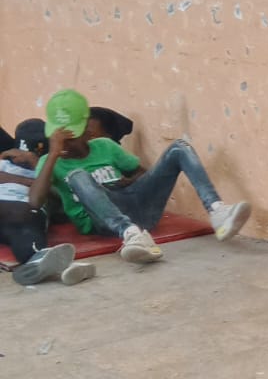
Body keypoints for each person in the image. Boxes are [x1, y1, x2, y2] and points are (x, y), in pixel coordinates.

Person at [40, 87, 251, 264]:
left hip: (140, 209)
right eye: (58, 138)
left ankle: (217, 211)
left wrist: (127, 182)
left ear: (87, 129)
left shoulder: (105, 146)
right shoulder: (51, 162)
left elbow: (141, 173)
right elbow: (35, 200)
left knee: (179, 148)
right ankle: (131, 235)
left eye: (70, 137)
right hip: (103, 223)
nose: (64, 144)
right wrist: (52, 155)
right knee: (78, 176)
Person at [0, 141, 95, 287]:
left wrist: (36, 164)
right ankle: (58, 264)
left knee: (24, 232)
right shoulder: (3, 163)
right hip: (10, 207)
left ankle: (44, 261)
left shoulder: (51, 166)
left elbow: (60, 195)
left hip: (23, 209)